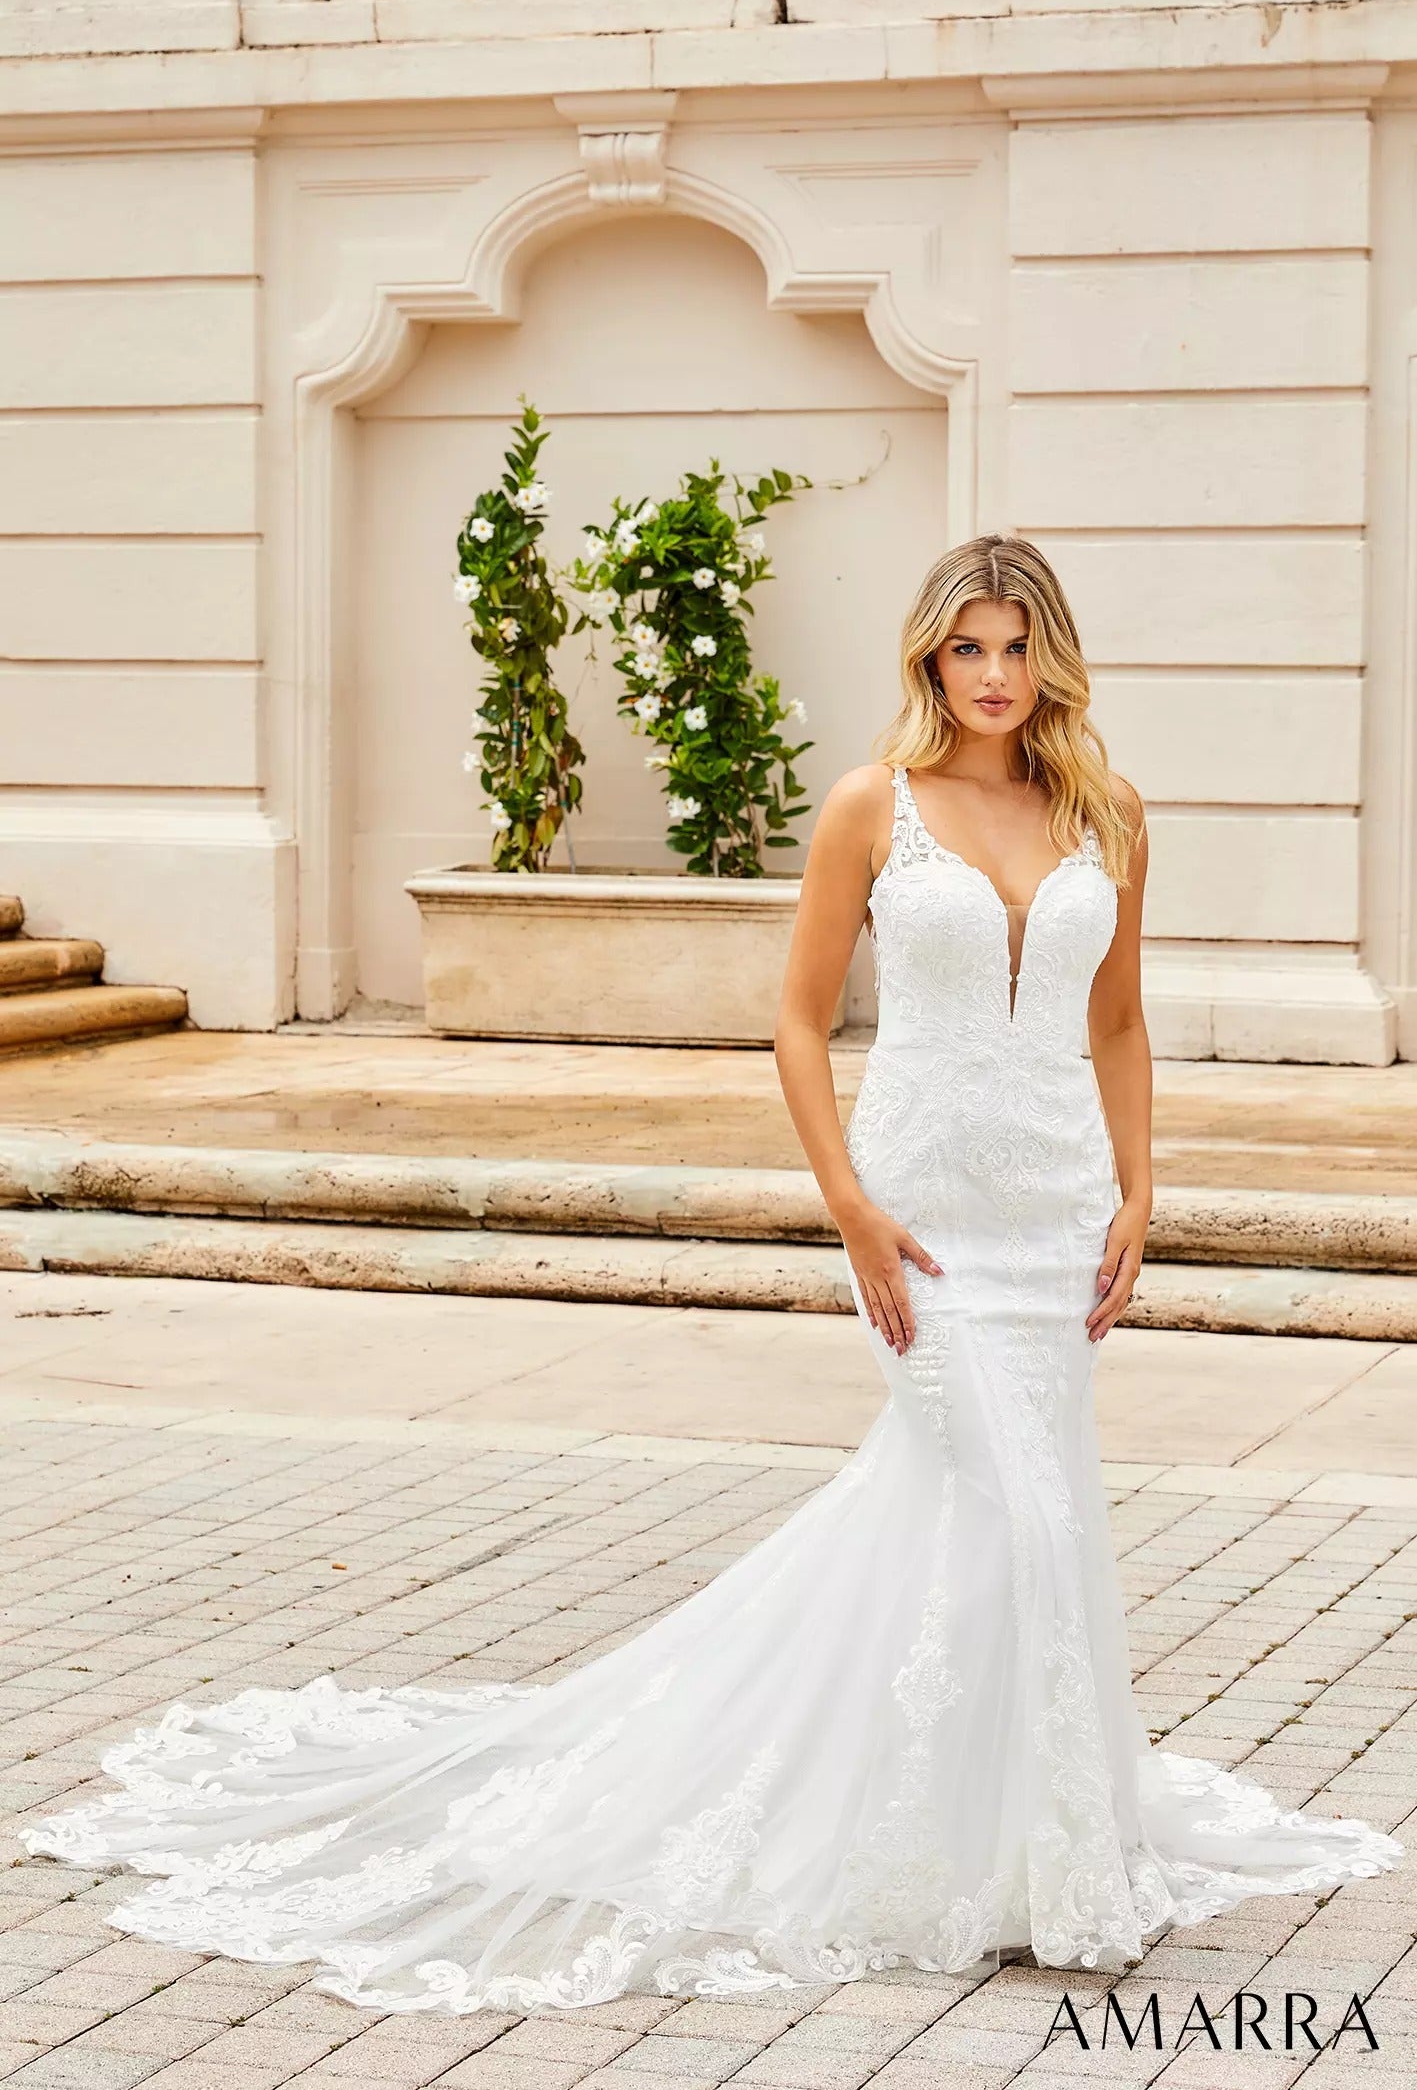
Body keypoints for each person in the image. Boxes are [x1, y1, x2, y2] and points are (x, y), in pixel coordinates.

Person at [19, 533, 1400, 2014]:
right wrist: (851, 1211)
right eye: (963, 651)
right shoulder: (874, 808)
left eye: (1013, 648)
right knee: (1009, 1503)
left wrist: (1141, 1191)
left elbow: (1115, 1024)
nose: (991, 678)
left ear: (1050, 655)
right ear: (928, 661)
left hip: (1054, 1212)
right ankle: (1009, 1846)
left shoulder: (1107, 812)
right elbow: (798, 1025)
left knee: (995, 1520)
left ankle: (1006, 1837)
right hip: (922, 1214)